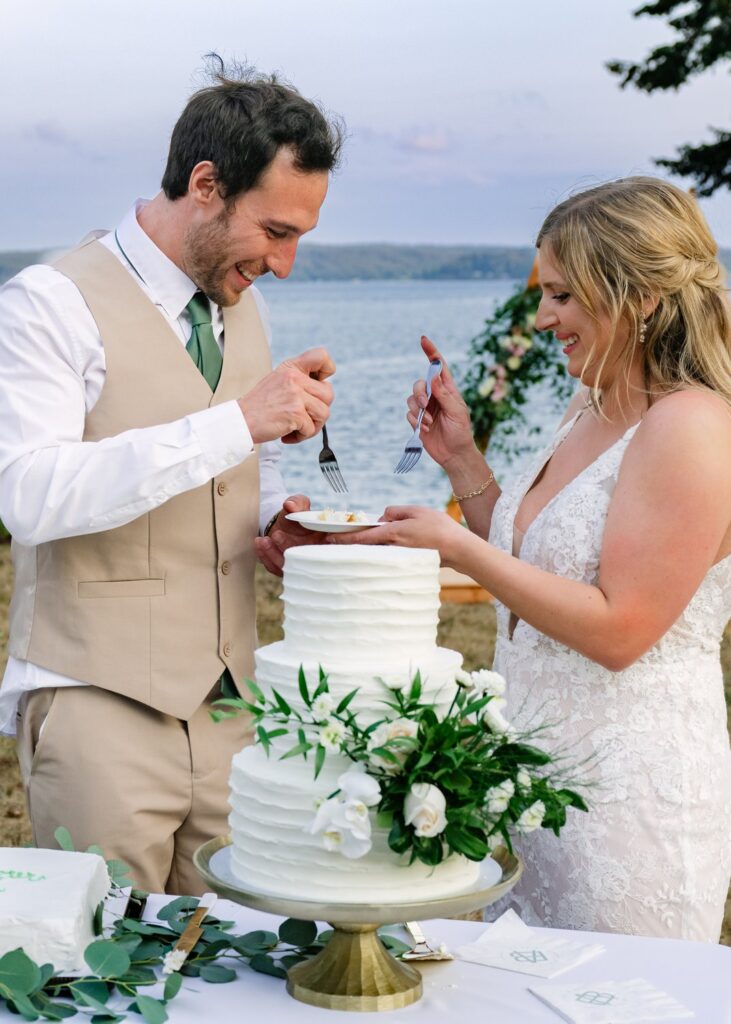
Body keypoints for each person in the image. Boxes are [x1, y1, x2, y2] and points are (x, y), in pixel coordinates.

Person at [330, 177, 731, 940]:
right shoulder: (593, 400)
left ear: (641, 296)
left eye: (562, 296)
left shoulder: (690, 427)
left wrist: (452, 545)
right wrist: (461, 462)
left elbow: (620, 629)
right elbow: (540, 563)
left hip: (629, 798)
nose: (543, 316)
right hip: (535, 782)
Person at [0, 60, 343, 895]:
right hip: (99, 705)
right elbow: (30, 496)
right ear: (205, 184)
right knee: (99, 978)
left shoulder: (240, 303)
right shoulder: (47, 303)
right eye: (275, 231)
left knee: (229, 965)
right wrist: (237, 421)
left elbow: (206, 471)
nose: (285, 263)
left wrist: (270, 516)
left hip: (232, 709)